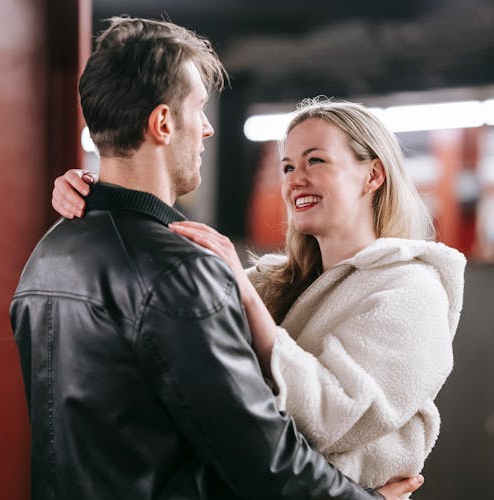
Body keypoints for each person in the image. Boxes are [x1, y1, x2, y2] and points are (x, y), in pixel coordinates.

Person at [13, 16, 421, 500]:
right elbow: (263, 459)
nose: (207, 129)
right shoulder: (181, 273)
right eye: (198, 109)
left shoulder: (47, 254)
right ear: (164, 123)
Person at [51, 99, 465, 491]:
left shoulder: (413, 292)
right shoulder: (272, 282)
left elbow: (334, 413)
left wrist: (245, 297)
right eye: (287, 166)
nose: (294, 179)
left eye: (315, 161)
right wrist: (98, 197)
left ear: (373, 175)